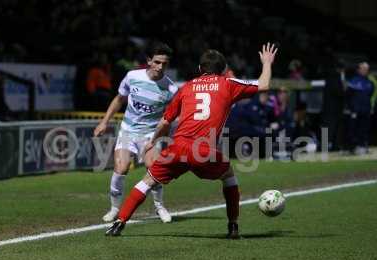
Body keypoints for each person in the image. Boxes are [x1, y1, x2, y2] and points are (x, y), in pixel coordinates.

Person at [105, 43, 278, 239]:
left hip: (177, 147)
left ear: (199, 69)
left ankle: (120, 221)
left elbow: (164, 122)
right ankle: (233, 226)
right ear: (223, 70)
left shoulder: (186, 87)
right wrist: (267, 63)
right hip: (203, 151)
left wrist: (153, 141)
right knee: (229, 176)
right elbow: (264, 85)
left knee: (147, 181)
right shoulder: (227, 84)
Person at [94, 42, 177, 223]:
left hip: (150, 135)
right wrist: (104, 122)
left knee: (154, 169)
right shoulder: (132, 76)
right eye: (157, 62)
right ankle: (114, 208)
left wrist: (161, 138)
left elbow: (169, 118)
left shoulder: (171, 89)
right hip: (128, 131)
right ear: (149, 61)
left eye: (164, 63)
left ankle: (159, 206)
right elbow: (119, 99)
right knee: (121, 168)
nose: (160, 67)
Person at [346, 62, 373, 154]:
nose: (365, 71)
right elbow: (348, 95)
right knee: (353, 129)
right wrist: (351, 107)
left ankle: (362, 146)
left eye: (367, 69)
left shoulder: (369, 82)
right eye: (363, 69)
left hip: (366, 109)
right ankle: (352, 148)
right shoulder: (353, 81)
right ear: (358, 70)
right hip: (355, 110)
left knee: (364, 129)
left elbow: (370, 95)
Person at [321, 60, 346, 151]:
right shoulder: (336, 78)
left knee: (330, 127)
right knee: (331, 128)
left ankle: (329, 146)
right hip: (333, 108)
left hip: (330, 108)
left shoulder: (331, 77)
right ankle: (328, 146)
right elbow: (339, 92)